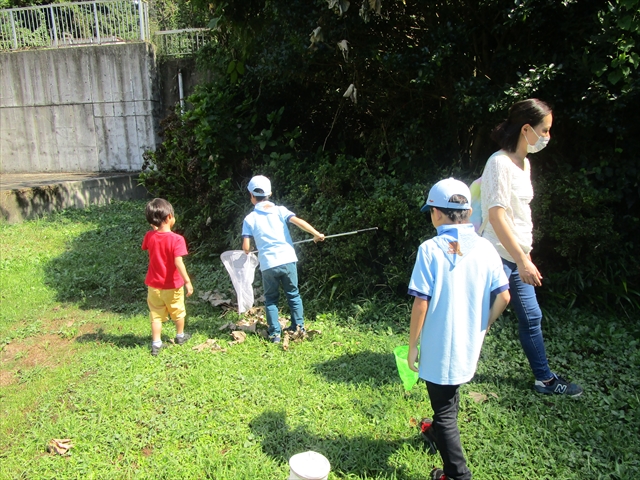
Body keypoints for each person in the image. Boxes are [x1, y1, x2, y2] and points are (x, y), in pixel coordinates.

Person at [407, 178, 511, 480]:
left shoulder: (429, 249)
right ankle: (436, 432)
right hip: (468, 345)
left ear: (436, 214)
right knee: (448, 398)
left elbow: (421, 303)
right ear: (466, 212)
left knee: (445, 411)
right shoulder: (486, 248)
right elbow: (504, 296)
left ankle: (457, 475)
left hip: (439, 349)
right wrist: (483, 325)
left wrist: (413, 345)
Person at [481, 98, 583, 396]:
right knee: (477, 318)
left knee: (531, 316)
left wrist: (523, 258)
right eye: (545, 130)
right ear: (527, 129)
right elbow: (496, 216)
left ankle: (544, 379)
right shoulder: (498, 163)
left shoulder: (523, 164)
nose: (547, 137)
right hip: (497, 257)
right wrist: (522, 260)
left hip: (516, 257)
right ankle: (441, 367)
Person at [242, 175, 325, 343]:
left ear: (251, 196)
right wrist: (316, 234)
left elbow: (246, 248)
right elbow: (298, 221)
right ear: (270, 193)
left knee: (271, 299)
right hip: (288, 260)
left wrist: (250, 250)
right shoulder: (280, 210)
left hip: (268, 265)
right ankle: (298, 328)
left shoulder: (249, 219)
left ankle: (275, 334)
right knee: (293, 294)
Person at [142, 198, 193, 356]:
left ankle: (156, 343)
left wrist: (153, 229)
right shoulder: (177, 240)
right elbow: (178, 262)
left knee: (156, 314)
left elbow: (146, 246)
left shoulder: (150, 236)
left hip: (154, 285)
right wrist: (188, 281)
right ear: (170, 216)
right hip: (173, 285)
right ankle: (180, 335)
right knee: (178, 311)